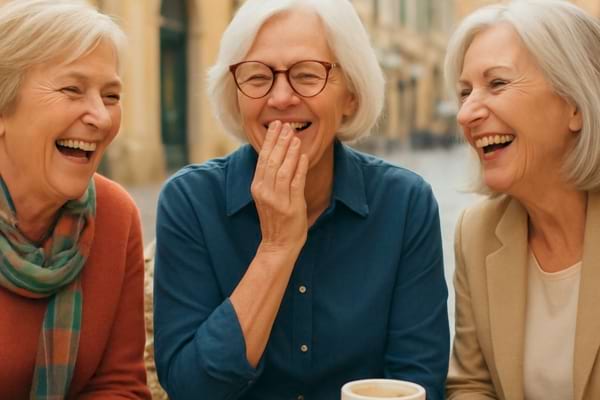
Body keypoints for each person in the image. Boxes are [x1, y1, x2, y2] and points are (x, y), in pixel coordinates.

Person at [153, 0, 450, 399]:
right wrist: (277, 248)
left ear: (351, 95)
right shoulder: (190, 201)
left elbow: (417, 383)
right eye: (257, 77)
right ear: (236, 95)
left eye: (306, 75)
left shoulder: (404, 204)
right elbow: (191, 388)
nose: (280, 97)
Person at [444, 1, 600, 399]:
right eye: (465, 92)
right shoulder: (476, 233)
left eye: (497, 83)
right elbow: (470, 385)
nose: (465, 114)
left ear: (576, 105)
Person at [0, 0, 151, 398]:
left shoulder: (115, 216)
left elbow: (119, 384)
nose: (100, 118)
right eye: (72, 89)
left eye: (112, 96)